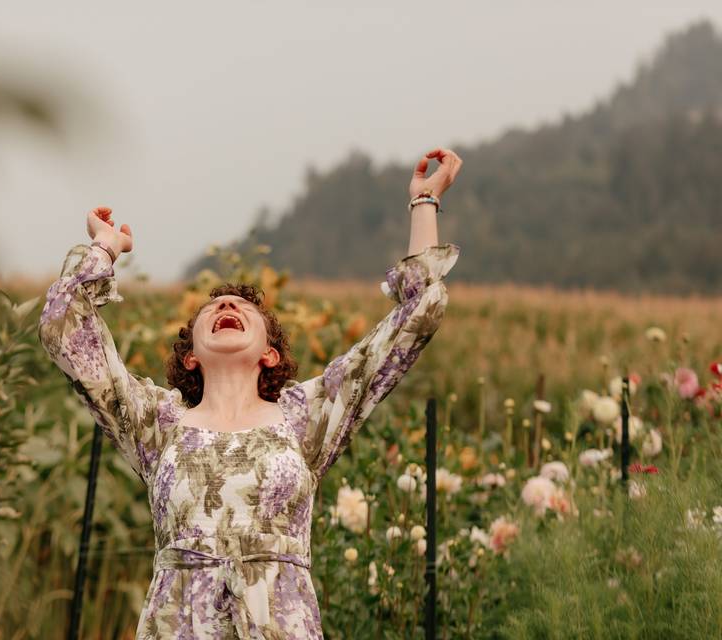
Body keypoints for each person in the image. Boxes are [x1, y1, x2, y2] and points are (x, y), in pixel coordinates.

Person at [38, 148, 462, 639]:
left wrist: (425, 200)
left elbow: (418, 316)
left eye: (242, 305)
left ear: (270, 354)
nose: (225, 303)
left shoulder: (307, 418)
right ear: (191, 356)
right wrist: (105, 249)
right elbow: (62, 326)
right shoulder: (157, 424)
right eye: (213, 305)